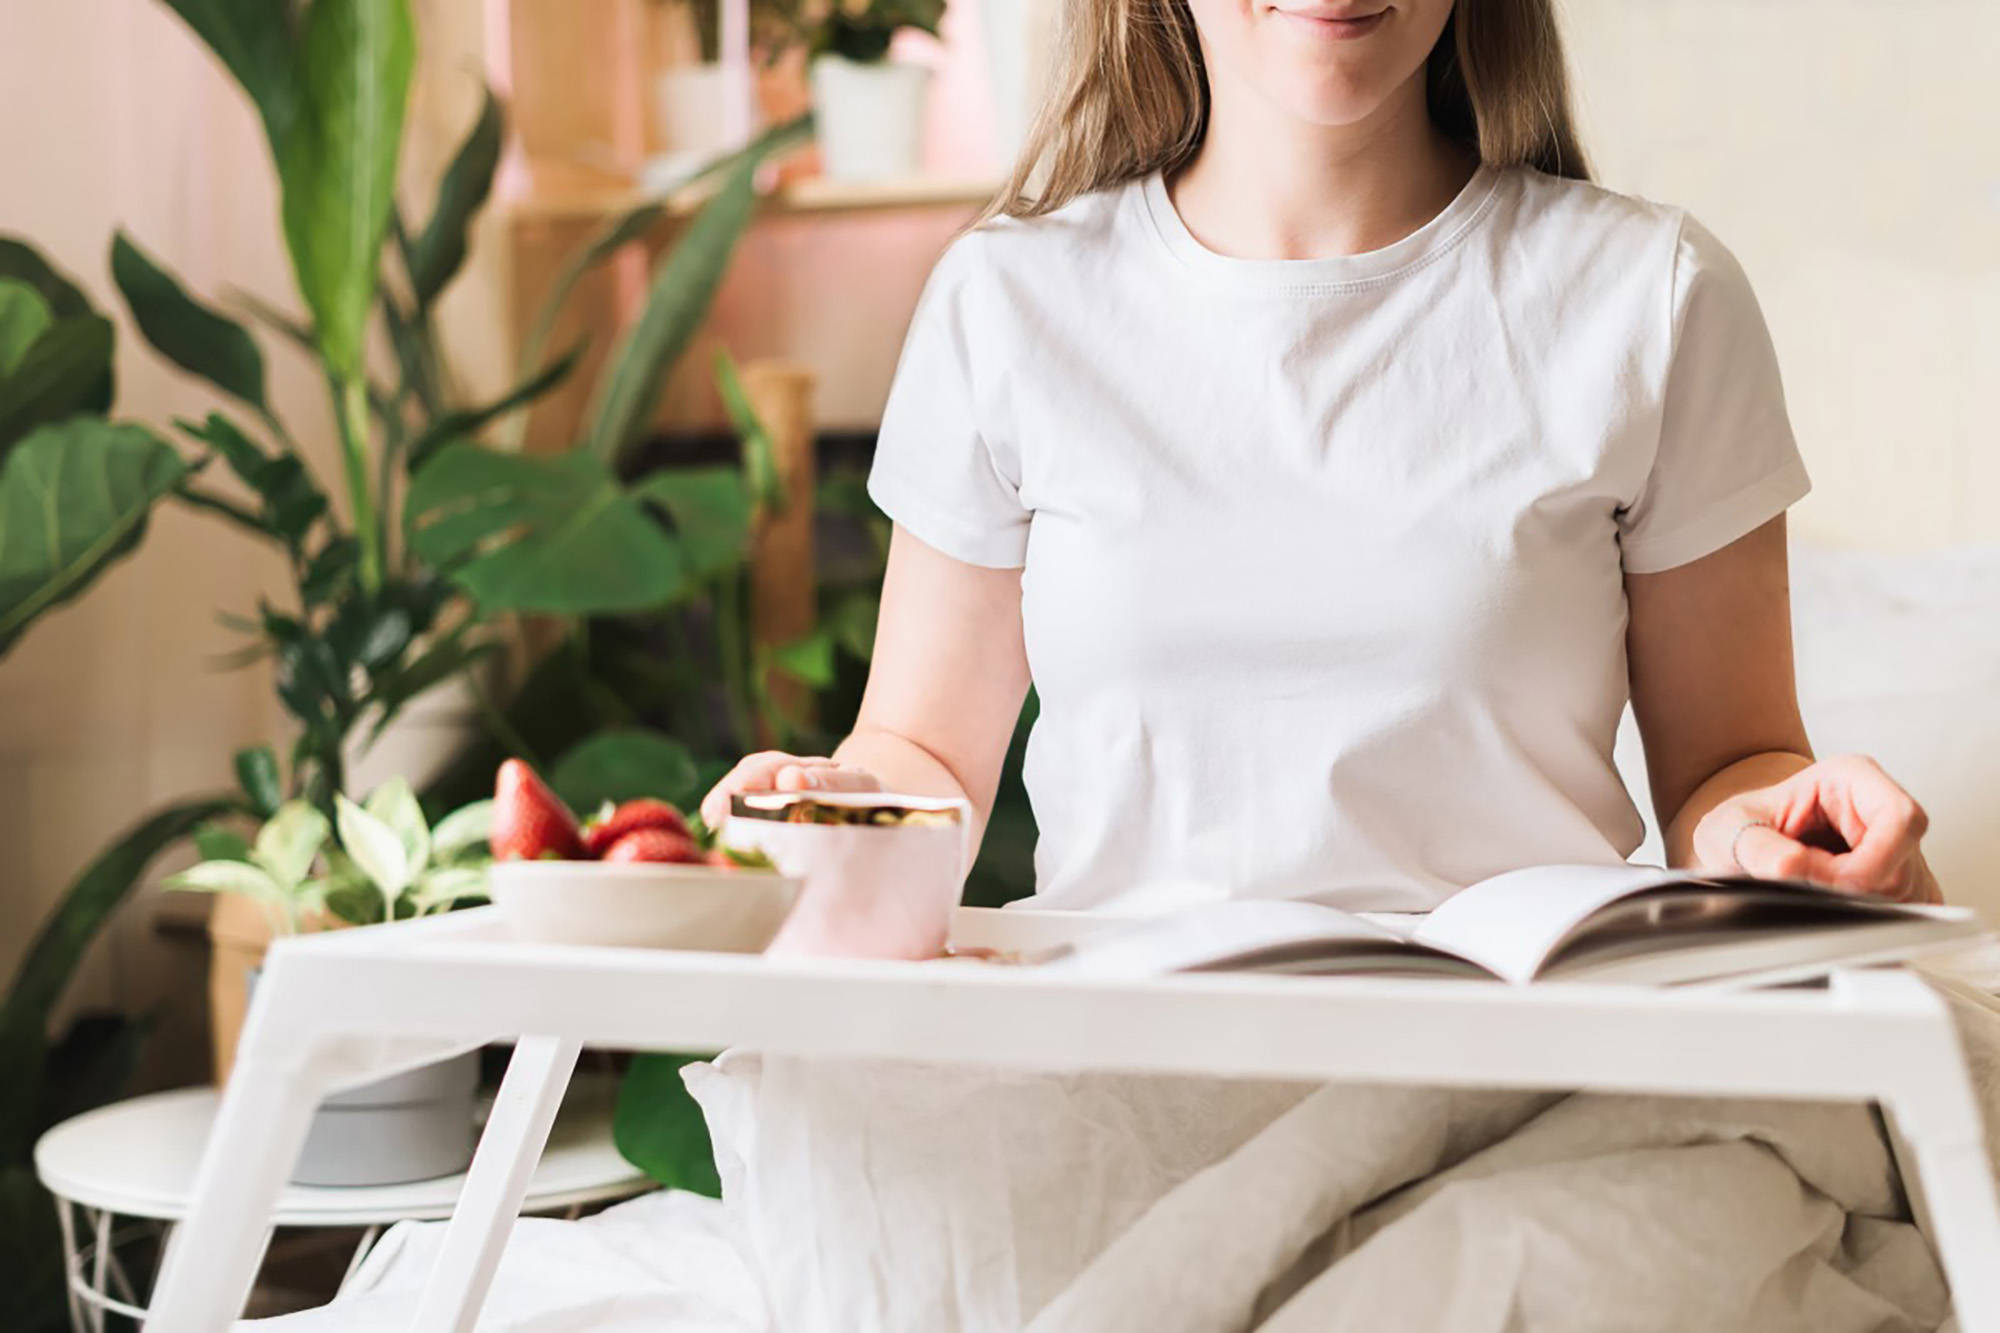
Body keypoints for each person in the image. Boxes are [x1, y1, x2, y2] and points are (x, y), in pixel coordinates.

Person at [703, 0, 1942, 911]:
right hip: (1124, 1059)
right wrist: (823, 814)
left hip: (1518, 1072)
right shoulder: (1007, 303)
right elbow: (920, 757)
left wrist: (1781, 835)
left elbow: (1727, 766)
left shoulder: (1651, 298)